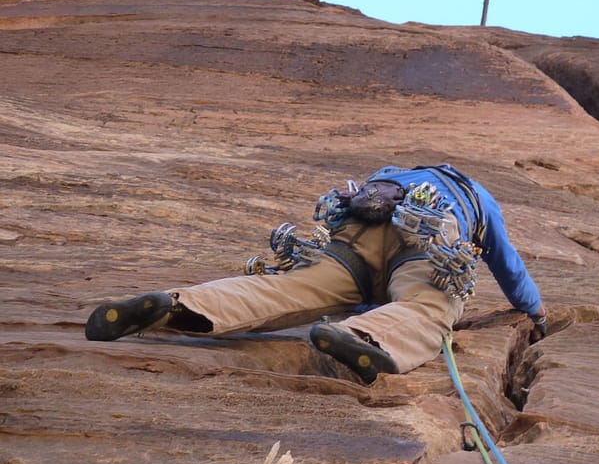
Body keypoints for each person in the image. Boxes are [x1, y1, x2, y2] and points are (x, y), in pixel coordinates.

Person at [85, 164, 547, 383]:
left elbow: (359, 202)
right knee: (427, 307)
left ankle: (179, 306)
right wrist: (535, 312)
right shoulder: (478, 199)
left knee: (288, 288)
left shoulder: (392, 175)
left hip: (357, 233)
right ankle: (365, 339)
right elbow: (508, 266)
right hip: (427, 237)